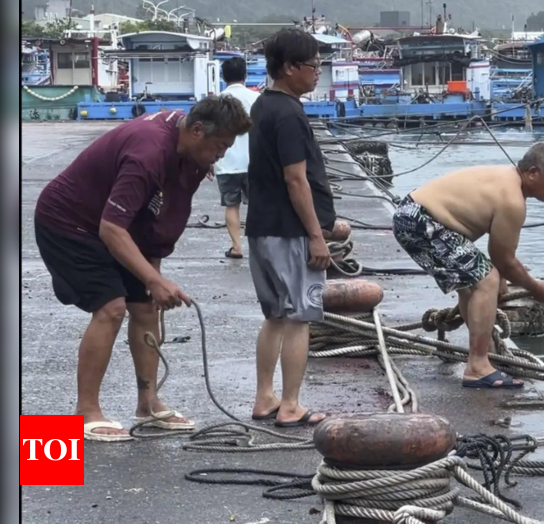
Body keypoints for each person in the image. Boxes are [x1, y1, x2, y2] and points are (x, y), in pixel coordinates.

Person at [34, 96, 252, 442]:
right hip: (69, 221)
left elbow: (165, 219)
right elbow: (111, 229)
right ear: (197, 130)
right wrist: (153, 278)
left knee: (147, 307)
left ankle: (147, 403)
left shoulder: (193, 156)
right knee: (111, 307)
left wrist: (154, 279)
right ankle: (85, 411)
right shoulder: (148, 152)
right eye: (220, 146)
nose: (223, 154)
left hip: (118, 225)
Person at [393, 142, 544, 390]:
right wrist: (536, 287)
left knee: (473, 284)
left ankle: (485, 355)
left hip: (412, 215)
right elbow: (504, 260)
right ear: (533, 173)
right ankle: (478, 367)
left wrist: (506, 276)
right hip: (420, 220)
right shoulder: (513, 199)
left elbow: (499, 254)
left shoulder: (506, 181)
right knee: (486, 280)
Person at [245, 28, 337, 428]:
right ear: (288, 68)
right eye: (314, 66)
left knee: (275, 317)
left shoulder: (264, 107)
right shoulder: (289, 115)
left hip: (262, 227)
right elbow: (296, 179)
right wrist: (317, 235)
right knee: (300, 318)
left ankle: (264, 397)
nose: (318, 73)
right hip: (290, 232)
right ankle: (291, 404)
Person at [214, 57, 260, 259]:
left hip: (226, 163)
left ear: (223, 77)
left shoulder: (216, 101)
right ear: (245, 75)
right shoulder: (257, 99)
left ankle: (237, 247)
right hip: (254, 162)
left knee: (232, 206)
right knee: (258, 206)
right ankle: (259, 248)